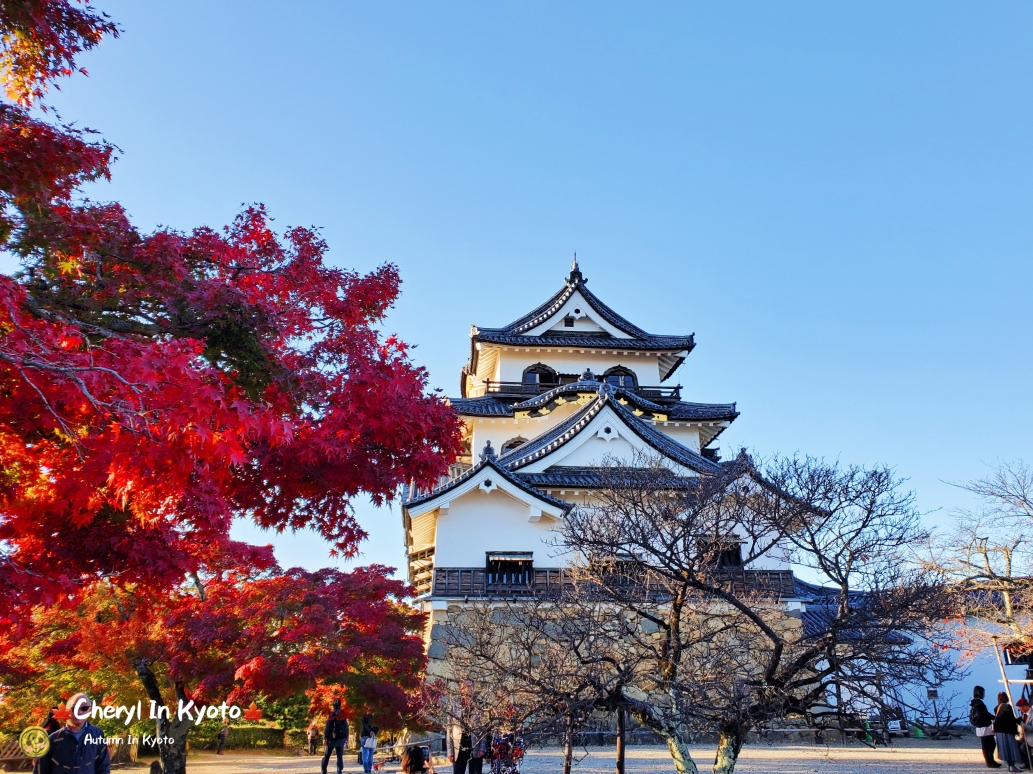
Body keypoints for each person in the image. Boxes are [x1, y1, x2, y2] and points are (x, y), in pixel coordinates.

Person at [33, 692, 111, 774]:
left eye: (84, 708)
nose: (79, 712)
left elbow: (104, 768)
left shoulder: (97, 734)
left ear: (90, 710)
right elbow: (40, 771)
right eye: (74, 708)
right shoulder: (52, 740)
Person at [994, 692, 1025, 773]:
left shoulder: (996, 708)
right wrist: (1019, 719)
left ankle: (1009, 766)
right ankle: (1012, 766)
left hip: (999, 731)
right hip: (1007, 731)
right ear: (1006, 698)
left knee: (1005, 749)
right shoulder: (1007, 707)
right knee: (1011, 748)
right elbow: (1011, 720)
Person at [973, 686, 1002, 768]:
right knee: (989, 745)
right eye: (983, 692)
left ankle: (990, 761)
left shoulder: (975, 702)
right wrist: (995, 718)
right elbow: (985, 714)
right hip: (984, 726)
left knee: (988, 744)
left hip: (981, 726)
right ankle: (989, 762)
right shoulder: (979, 703)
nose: (984, 694)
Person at [321, 698, 350, 774]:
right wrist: (346, 736)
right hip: (341, 738)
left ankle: (324, 770)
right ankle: (339, 770)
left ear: (333, 704)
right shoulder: (343, 714)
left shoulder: (332, 714)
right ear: (340, 704)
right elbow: (346, 726)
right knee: (339, 756)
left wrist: (325, 738)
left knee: (327, 755)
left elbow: (327, 727)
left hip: (331, 738)